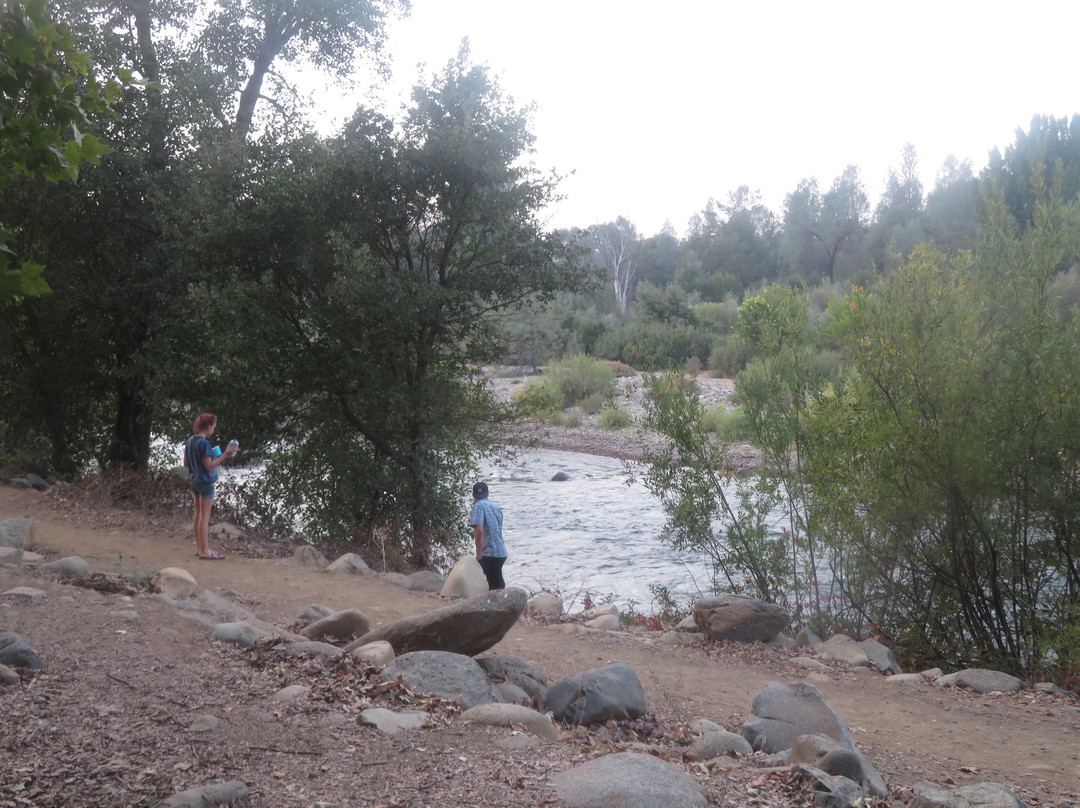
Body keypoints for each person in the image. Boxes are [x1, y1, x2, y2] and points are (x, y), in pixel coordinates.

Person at [183, 412, 238, 560]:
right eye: (214, 426)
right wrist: (225, 454)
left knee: (197, 514)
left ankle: (199, 548)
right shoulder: (204, 443)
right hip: (206, 482)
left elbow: (185, 463)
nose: (214, 429)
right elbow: (209, 466)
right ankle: (205, 550)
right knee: (205, 517)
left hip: (194, 480)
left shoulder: (190, 440)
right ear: (208, 427)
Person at [469, 481, 506, 589]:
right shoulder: (495, 508)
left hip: (489, 553)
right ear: (488, 493)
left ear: (473, 495)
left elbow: (480, 531)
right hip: (500, 552)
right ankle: (504, 599)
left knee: (489, 582)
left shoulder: (478, 507)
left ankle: (499, 601)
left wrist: (478, 554)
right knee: (496, 580)